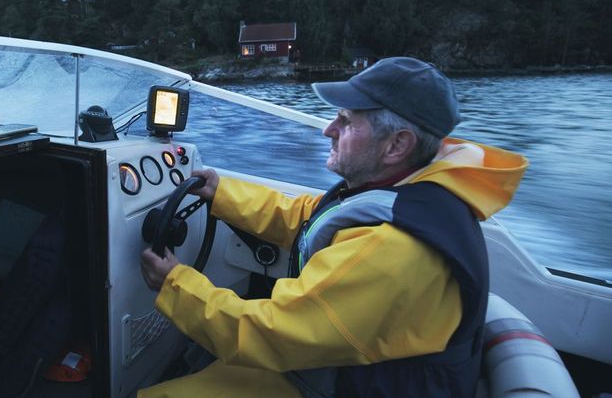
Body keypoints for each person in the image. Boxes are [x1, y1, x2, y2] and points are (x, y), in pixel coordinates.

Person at [139, 57, 528, 398]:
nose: (328, 130)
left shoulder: (393, 248)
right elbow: (311, 218)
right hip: (338, 370)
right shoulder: (411, 188)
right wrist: (221, 192)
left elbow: (270, 334)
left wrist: (175, 285)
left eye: (345, 121)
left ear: (397, 145)